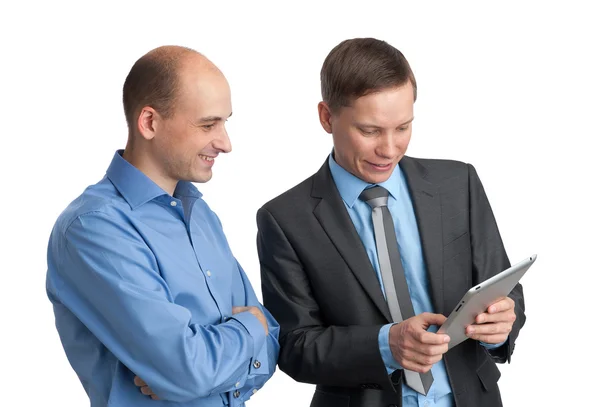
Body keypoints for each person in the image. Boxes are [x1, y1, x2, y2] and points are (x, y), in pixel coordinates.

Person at [256, 38, 525, 407]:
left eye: (403, 127)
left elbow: (505, 292)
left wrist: (500, 326)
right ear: (326, 117)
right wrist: (386, 344)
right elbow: (294, 346)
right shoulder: (285, 219)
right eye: (369, 131)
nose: (389, 148)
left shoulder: (457, 183)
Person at [46, 45, 279, 407]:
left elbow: (272, 342)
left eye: (225, 122)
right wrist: (250, 328)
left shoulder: (201, 216)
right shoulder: (93, 228)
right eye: (207, 124)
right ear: (150, 122)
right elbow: (188, 369)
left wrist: (206, 368)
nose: (225, 143)